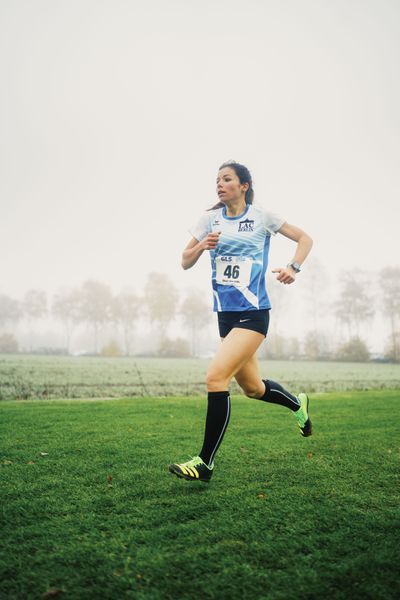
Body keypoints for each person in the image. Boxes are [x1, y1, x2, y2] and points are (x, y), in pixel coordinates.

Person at [169, 161, 313, 483]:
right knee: (254, 388)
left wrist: (294, 267)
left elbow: (305, 239)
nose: (219, 184)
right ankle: (297, 404)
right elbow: (183, 261)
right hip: (226, 317)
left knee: (215, 377)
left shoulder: (262, 217)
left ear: (243, 185)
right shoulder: (209, 219)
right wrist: (201, 247)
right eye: (217, 180)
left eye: (227, 179)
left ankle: (204, 462)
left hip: (254, 313)